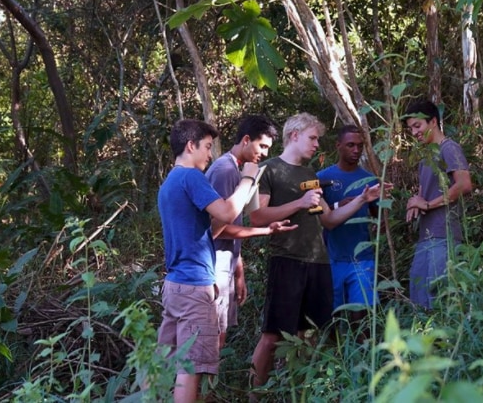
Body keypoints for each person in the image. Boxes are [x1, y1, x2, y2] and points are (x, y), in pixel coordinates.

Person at [156, 119, 291, 403]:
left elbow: (210, 228)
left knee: (166, 360)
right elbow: (228, 213)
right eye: (206, 147)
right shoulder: (191, 177)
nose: (209, 154)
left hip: (175, 285)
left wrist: (264, 231)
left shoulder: (170, 181)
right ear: (190, 146)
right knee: (189, 367)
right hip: (195, 286)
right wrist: (248, 178)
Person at [248, 113, 386, 390]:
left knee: (308, 333)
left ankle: (298, 390)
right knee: (273, 336)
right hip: (287, 260)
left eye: (318, 139)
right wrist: (299, 203)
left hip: (318, 262)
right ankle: (254, 395)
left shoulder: (310, 174)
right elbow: (257, 217)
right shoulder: (269, 169)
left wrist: (362, 198)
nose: (316, 145)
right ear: (294, 135)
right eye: (312, 138)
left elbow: (328, 220)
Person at [205, 115, 280, 349]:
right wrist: (264, 231)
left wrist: (239, 270)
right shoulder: (226, 170)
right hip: (213, 264)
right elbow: (217, 228)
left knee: (220, 333)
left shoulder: (238, 170)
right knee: (212, 337)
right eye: (262, 146)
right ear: (246, 140)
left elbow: (232, 222)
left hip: (226, 262)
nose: (265, 153)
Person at [404, 101, 472, 309]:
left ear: (433, 122)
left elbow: (464, 184)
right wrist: (415, 202)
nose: (414, 132)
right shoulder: (426, 157)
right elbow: (426, 193)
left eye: (418, 126)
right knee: (419, 297)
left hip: (445, 235)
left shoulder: (449, 148)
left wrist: (426, 204)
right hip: (427, 236)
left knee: (439, 299)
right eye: (410, 129)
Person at [317, 125, 383, 326]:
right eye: (350, 145)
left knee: (361, 316)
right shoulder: (322, 178)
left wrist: (382, 201)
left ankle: (363, 354)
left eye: (360, 146)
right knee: (332, 317)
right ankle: (336, 354)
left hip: (362, 258)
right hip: (332, 258)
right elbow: (318, 217)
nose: (356, 150)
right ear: (338, 146)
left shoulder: (369, 179)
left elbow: (378, 217)